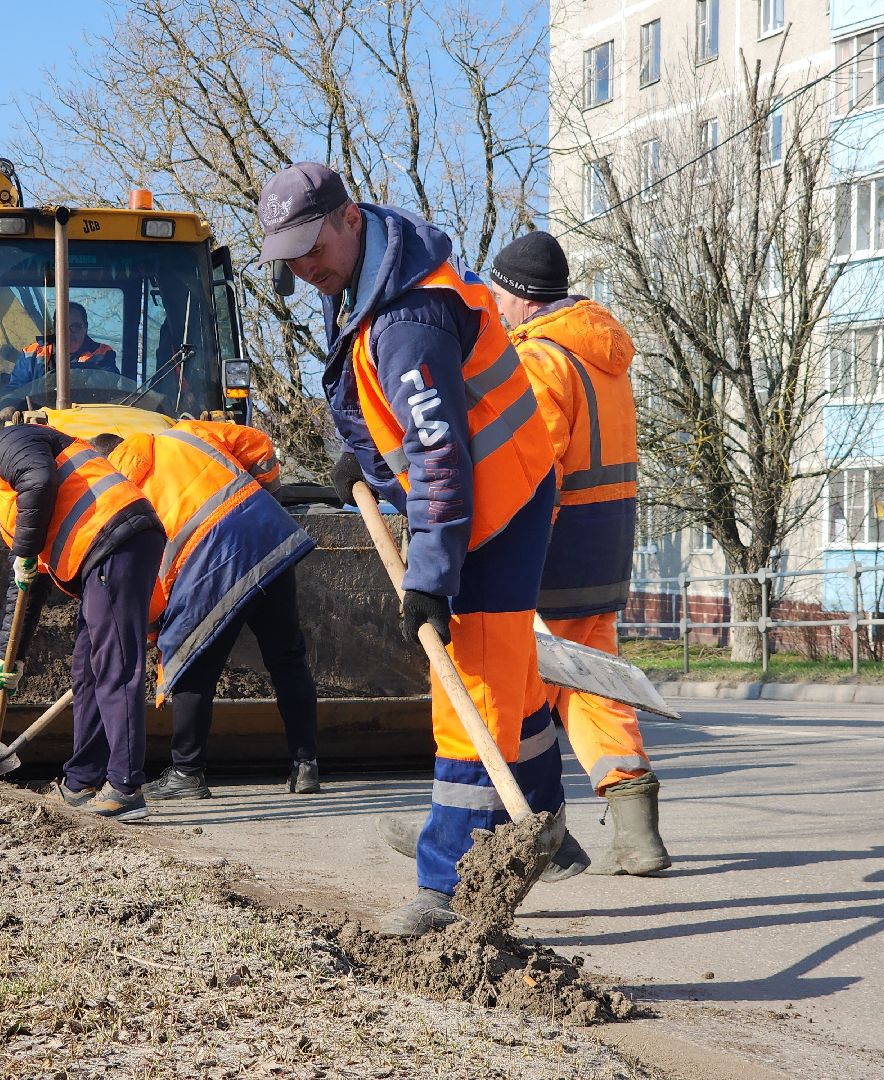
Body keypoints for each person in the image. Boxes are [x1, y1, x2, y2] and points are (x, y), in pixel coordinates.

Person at [256, 161, 568, 936]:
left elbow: (440, 460)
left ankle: (447, 884)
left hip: (489, 512)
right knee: (508, 677)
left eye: (311, 245)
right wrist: (360, 456)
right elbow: (393, 413)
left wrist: (428, 575)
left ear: (350, 217)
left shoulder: (408, 318)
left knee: (474, 690)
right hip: (494, 499)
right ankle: (543, 822)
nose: (304, 267)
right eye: (288, 254)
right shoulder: (369, 281)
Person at [487, 230, 670, 876]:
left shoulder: (542, 362)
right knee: (591, 688)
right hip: (606, 550)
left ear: (522, 297)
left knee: (511, 691)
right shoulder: (603, 356)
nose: (496, 305)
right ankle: (637, 828)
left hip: (555, 554)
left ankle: (510, 833)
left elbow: (528, 467)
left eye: (500, 293)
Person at [90, 420, 321, 797]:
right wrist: (265, 498)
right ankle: (306, 765)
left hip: (210, 567)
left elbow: (151, 577)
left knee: (191, 665)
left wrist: (152, 632)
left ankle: (187, 773)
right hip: (268, 537)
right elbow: (259, 445)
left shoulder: (123, 497)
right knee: (288, 659)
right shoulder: (186, 433)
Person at [0, 422, 165, 821]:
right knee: (86, 671)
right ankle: (81, 780)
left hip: (115, 540)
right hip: (104, 552)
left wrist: (26, 549)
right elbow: (27, 586)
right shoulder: (15, 496)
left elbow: (39, 477)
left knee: (115, 670)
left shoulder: (7, 444)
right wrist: (9, 657)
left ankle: (125, 786)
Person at [0, 302, 119, 417]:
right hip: (40, 425)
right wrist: (8, 405)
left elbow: (108, 386)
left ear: (85, 328)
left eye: (75, 327)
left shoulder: (103, 354)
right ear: (55, 329)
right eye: (63, 326)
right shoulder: (32, 354)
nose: (68, 333)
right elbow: (15, 389)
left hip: (90, 420)